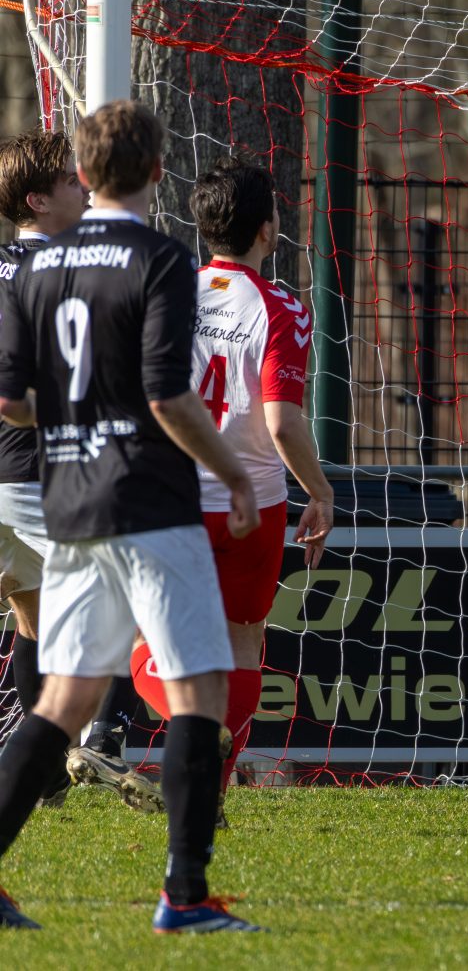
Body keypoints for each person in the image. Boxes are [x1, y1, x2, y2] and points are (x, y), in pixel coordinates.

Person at [0, 100, 262, 932]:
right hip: (148, 500)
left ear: (83, 174)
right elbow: (167, 397)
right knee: (200, 691)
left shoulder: (35, 265)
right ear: (156, 170)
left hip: (71, 500)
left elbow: (12, 400)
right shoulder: (161, 259)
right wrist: (232, 473)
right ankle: (185, 895)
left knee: (63, 700)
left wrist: (76, 419)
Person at [125, 160, 334, 827]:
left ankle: (191, 732)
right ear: (267, 230)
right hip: (257, 504)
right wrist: (320, 491)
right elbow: (283, 421)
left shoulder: (167, 292)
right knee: (245, 647)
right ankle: (207, 786)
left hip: (173, 496)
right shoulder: (283, 308)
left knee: (145, 648)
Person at [0, 132, 88, 811]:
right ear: (37, 200)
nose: (83, 187)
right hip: (34, 475)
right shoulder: (61, 275)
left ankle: (47, 778)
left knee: (30, 614)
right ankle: (102, 739)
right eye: (69, 180)